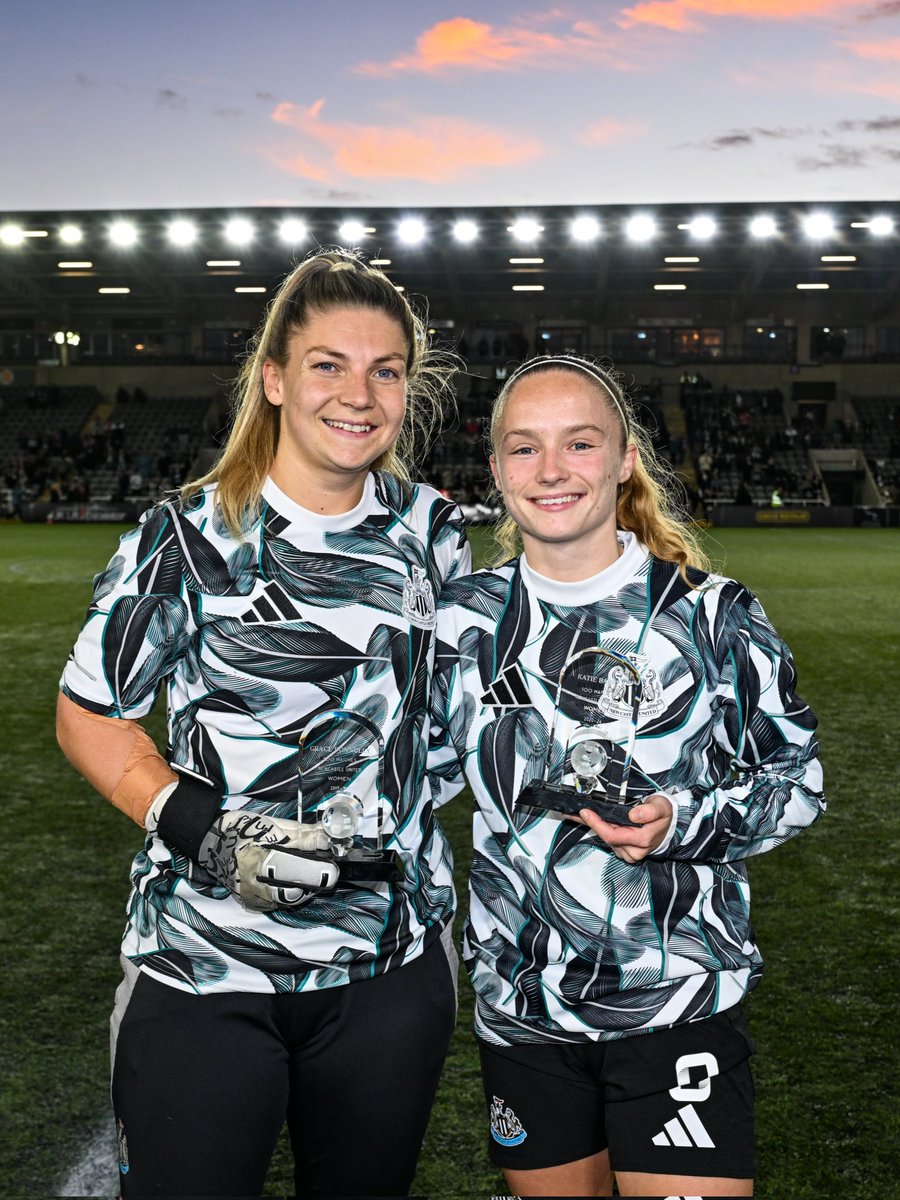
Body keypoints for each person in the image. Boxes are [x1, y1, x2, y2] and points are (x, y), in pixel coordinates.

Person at [56, 250, 471, 1198]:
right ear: (275, 378)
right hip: (205, 964)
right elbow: (88, 714)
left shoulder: (435, 533)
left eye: (386, 370)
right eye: (328, 364)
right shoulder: (185, 537)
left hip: (389, 968)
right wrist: (205, 828)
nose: (357, 394)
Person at [429, 354, 824, 1197]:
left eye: (580, 443)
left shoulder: (713, 613)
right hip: (526, 1013)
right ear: (496, 470)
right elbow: (409, 781)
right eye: (524, 449)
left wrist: (679, 821)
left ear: (624, 460)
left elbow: (799, 781)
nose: (552, 470)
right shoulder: (460, 624)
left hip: (678, 999)